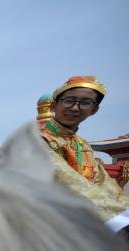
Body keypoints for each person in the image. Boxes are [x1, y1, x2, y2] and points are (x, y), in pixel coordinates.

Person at [38, 75, 129, 233]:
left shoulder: (83, 146)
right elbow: (69, 182)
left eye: (85, 103)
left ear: (94, 110)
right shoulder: (38, 140)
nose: (74, 108)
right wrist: (119, 218)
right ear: (54, 105)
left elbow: (104, 184)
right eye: (69, 101)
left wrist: (125, 209)